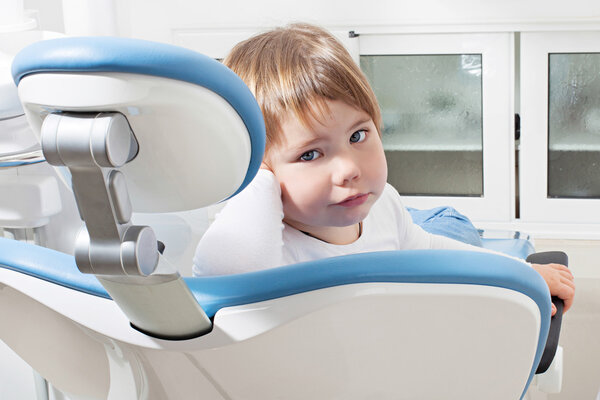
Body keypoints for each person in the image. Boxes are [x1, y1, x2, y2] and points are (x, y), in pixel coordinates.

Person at [193, 23, 574, 315]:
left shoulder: (384, 206)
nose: (348, 169)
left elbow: (433, 251)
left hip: (411, 221)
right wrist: (250, 171)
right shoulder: (266, 251)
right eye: (310, 155)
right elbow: (225, 271)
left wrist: (521, 272)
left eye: (358, 136)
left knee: (448, 229)